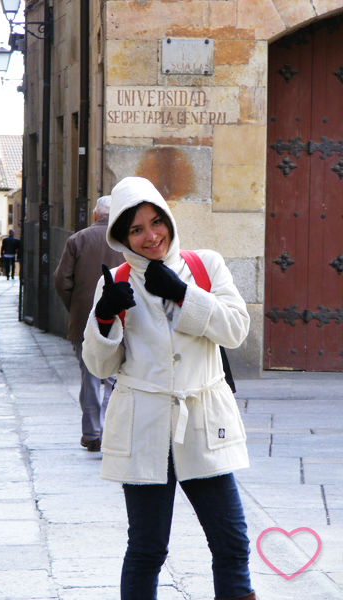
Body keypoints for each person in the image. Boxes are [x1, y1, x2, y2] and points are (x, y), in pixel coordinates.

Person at [82, 176, 255, 600]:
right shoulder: (115, 281)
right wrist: (105, 317)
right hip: (144, 426)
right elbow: (100, 364)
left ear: (169, 220)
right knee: (146, 550)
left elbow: (235, 330)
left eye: (155, 222)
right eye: (136, 229)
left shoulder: (205, 265)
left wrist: (183, 293)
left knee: (232, 544)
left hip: (202, 421)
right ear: (121, 237)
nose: (150, 236)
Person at [53, 195, 125, 451]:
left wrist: (75, 308)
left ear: (95, 215)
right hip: (123, 320)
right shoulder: (127, 239)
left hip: (85, 321)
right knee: (117, 377)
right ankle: (111, 431)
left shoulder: (78, 239)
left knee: (91, 376)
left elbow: (62, 281)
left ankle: (93, 433)